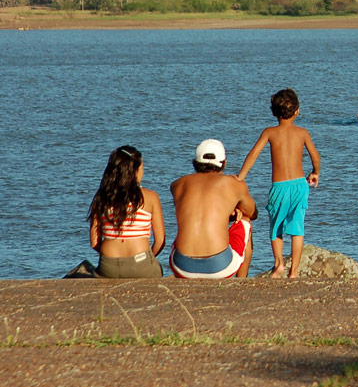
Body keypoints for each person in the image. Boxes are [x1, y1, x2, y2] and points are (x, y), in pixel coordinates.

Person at [236, 88, 321, 279]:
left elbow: (253, 154)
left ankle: (279, 264)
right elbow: (315, 156)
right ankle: (295, 271)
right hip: (300, 185)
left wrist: (241, 177)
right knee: (297, 228)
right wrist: (315, 173)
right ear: (297, 111)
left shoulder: (269, 132)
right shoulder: (303, 133)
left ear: (273, 111)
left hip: (280, 187)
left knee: (276, 228)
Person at [169, 139, 257, 279]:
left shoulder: (177, 185)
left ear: (195, 163)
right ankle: (241, 281)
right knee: (245, 220)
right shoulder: (233, 184)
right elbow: (252, 213)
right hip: (219, 267)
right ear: (224, 163)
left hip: (181, 266)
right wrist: (234, 209)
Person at [87, 145, 165, 278]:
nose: (143, 172)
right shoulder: (150, 197)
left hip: (109, 264)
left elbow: (94, 241)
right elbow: (160, 240)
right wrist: (149, 258)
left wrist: (111, 257)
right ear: (135, 170)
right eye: (142, 168)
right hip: (142, 263)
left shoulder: (103, 197)